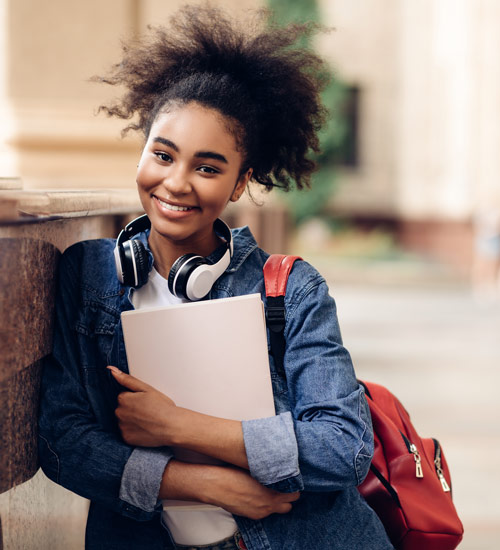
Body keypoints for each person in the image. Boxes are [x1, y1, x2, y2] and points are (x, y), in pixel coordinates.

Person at [38, 6, 394, 550]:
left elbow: (343, 447)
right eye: (162, 155)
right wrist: (208, 484)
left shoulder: (292, 289)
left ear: (238, 184)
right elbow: (62, 441)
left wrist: (178, 426)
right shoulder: (89, 276)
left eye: (207, 168)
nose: (175, 183)